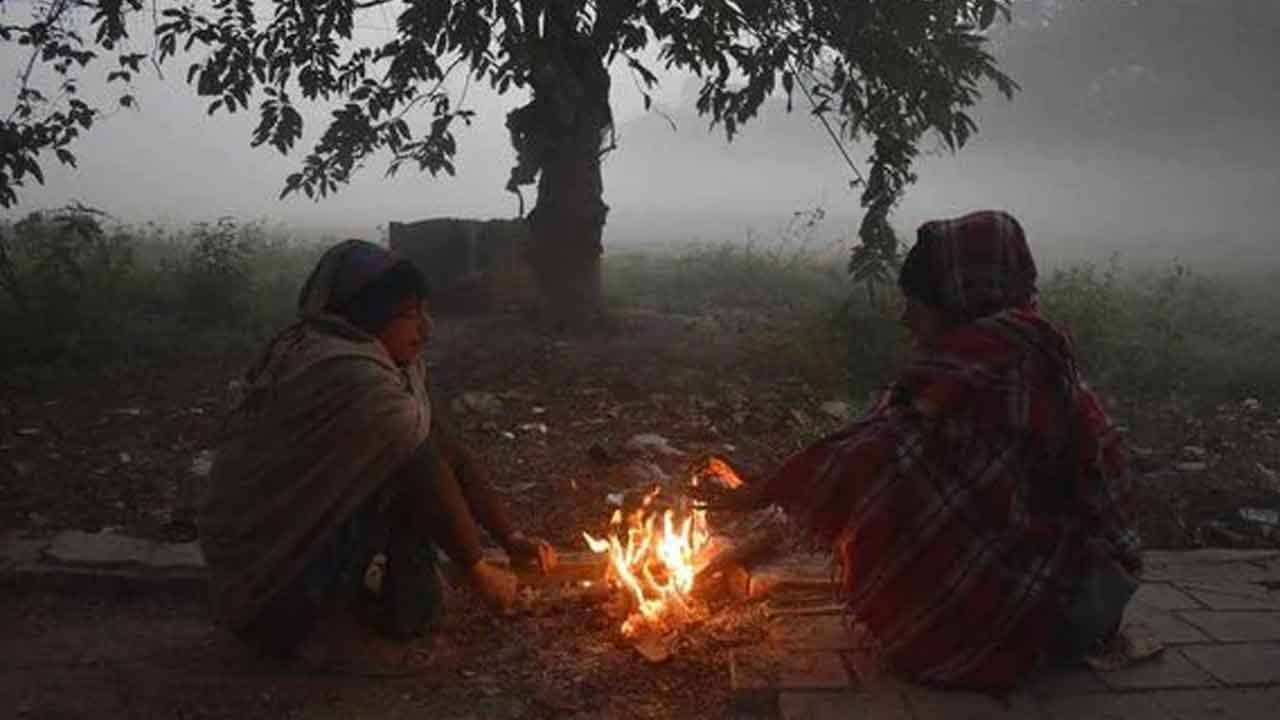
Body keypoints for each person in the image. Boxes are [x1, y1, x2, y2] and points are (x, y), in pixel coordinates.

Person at [698, 211, 1141, 690]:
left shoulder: (988, 374)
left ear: (958, 302)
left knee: (904, 482)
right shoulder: (1028, 352)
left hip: (1060, 606)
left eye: (917, 304)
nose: (905, 318)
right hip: (1096, 590)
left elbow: (875, 454)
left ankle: (966, 633)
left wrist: (761, 491)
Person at [200, 239, 557, 670]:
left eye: (424, 311)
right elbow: (423, 465)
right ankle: (321, 636)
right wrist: (478, 570)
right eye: (408, 315)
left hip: (292, 563)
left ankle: (381, 616)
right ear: (366, 316)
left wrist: (510, 538)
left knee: (413, 474)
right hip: (267, 586)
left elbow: (448, 450)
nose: (426, 329)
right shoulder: (345, 372)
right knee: (408, 478)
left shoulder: (389, 364)